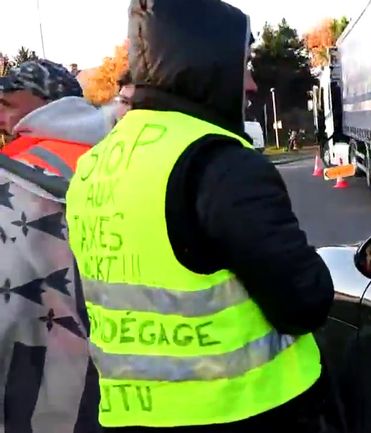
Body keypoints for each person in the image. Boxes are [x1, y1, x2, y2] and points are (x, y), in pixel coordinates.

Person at [64, 0, 335, 432]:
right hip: (249, 412)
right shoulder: (220, 164)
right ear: (205, 65)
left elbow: (91, 300)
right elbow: (305, 301)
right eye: (243, 65)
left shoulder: (95, 165)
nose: (249, 84)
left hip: (131, 416)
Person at [0, 59, 108, 432]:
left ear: (46, 104)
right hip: (122, 367)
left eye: (7, 104)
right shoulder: (120, 159)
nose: (0, 117)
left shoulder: (11, 171)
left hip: (37, 374)